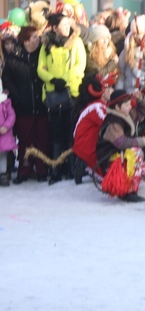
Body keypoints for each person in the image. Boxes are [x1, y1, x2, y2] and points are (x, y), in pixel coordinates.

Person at [37, 12, 87, 184]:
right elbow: (40, 68)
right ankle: (56, 169)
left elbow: (80, 65)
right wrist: (52, 79)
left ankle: (72, 168)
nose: (67, 27)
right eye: (63, 25)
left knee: (70, 133)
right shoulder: (46, 44)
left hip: (71, 93)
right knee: (56, 135)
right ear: (55, 27)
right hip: (52, 95)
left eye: (69, 24)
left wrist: (64, 79)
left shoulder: (77, 42)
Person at [2, 26, 48, 183]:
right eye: (34, 37)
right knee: (25, 141)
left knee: (41, 139)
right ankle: (24, 169)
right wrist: (18, 96)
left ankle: (42, 169)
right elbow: (7, 80)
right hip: (23, 107)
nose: (37, 39)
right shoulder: (14, 58)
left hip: (41, 106)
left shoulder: (42, 55)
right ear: (26, 40)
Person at [96, 90, 145, 202]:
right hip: (111, 161)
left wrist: (140, 99)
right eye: (127, 104)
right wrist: (141, 141)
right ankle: (129, 191)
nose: (131, 106)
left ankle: (128, 181)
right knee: (136, 152)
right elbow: (121, 142)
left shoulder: (126, 114)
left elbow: (141, 112)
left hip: (122, 157)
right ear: (117, 108)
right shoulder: (114, 121)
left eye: (130, 103)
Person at [71, 73, 117, 181]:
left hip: (92, 143)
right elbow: (109, 123)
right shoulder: (97, 107)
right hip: (88, 146)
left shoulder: (101, 105)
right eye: (109, 88)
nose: (112, 91)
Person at [0, 80, 16, 186]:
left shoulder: (5, 102)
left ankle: (3, 174)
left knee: (3, 155)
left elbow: (11, 116)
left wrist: (6, 126)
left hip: (3, 134)